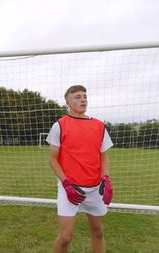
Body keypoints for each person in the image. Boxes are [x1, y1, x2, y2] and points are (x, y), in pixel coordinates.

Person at [46, 85, 113, 253]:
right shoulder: (59, 126)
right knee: (65, 237)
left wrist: (106, 179)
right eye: (77, 97)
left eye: (84, 96)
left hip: (95, 188)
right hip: (70, 188)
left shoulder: (99, 126)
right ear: (67, 102)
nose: (83, 99)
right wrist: (66, 184)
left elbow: (103, 156)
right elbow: (53, 160)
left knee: (98, 232)